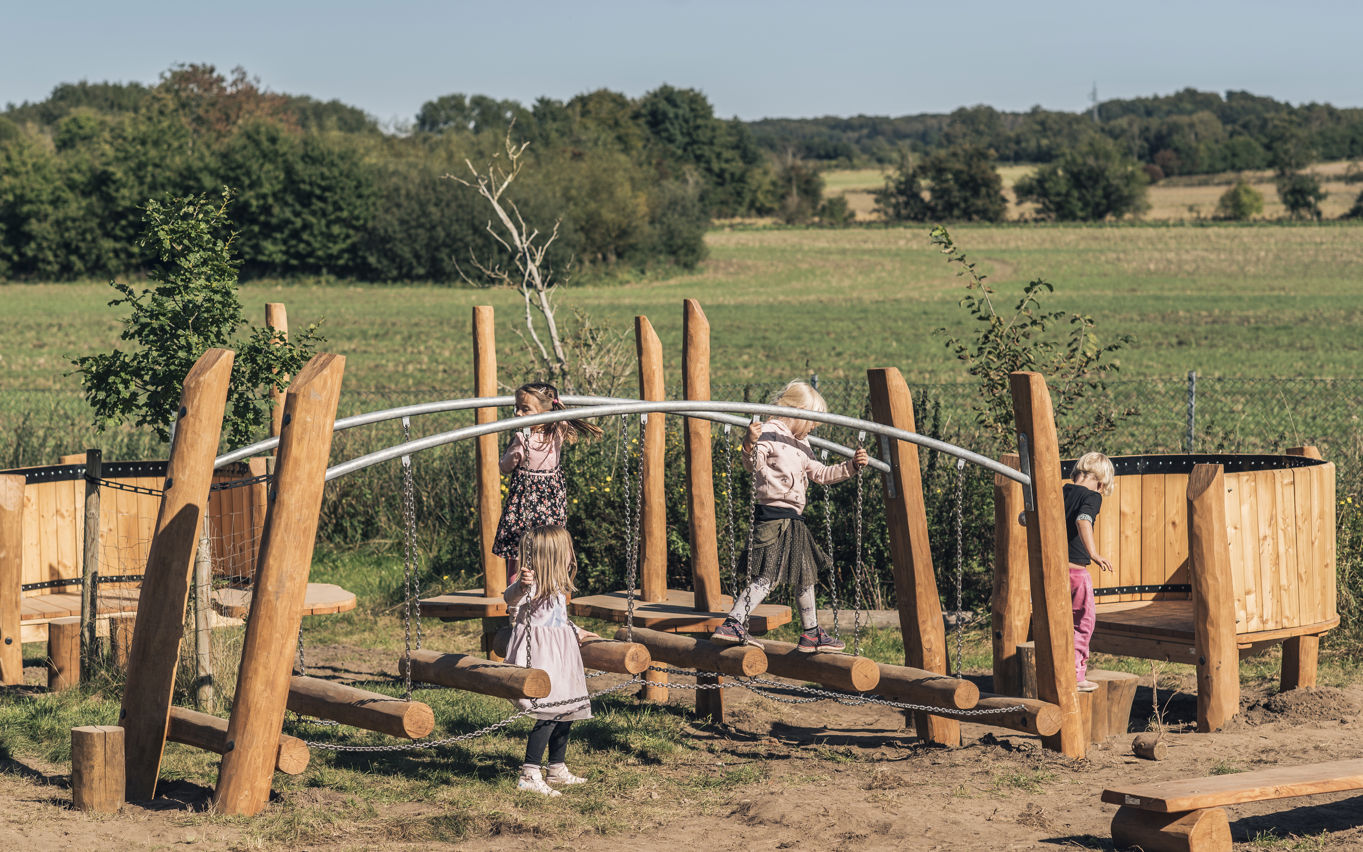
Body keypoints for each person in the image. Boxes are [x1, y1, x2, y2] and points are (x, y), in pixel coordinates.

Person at [710, 380, 868, 653]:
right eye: (812, 420)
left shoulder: (802, 445)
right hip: (772, 517)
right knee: (767, 576)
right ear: (797, 411)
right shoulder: (769, 432)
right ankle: (733, 623)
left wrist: (851, 466)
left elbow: (820, 474)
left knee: (805, 577)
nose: (814, 426)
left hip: (795, 520)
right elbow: (754, 465)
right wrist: (749, 444)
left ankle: (811, 633)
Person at [503, 525, 598, 796]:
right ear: (554, 556)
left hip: (561, 655)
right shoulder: (531, 586)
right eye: (568, 549)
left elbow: (557, 620)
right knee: (549, 712)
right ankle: (529, 773)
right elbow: (510, 599)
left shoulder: (557, 588)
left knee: (566, 709)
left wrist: (576, 631)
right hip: (542, 656)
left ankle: (556, 768)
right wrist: (521, 586)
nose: (572, 555)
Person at [493, 382, 602, 586]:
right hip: (552, 505)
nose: (518, 413)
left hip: (523, 506)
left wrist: (506, 454)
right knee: (552, 545)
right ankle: (555, 588)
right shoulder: (558, 430)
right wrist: (555, 404)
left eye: (525, 409)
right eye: (516, 408)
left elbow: (505, 467)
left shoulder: (520, 439)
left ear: (544, 412)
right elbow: (559, 412)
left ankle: (515, 596)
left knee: (518, 550)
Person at [1065, 451, 1115, 692]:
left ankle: (1056, 670)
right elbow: (1083, 520)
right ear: (1102, 482)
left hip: (1053, 573)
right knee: (1083, 624)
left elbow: (1026, 517)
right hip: (1075, 574)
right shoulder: (1093, 496)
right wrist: (1093, 553)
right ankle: (1075, 676)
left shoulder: (1060, 492)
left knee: (1059, 623)